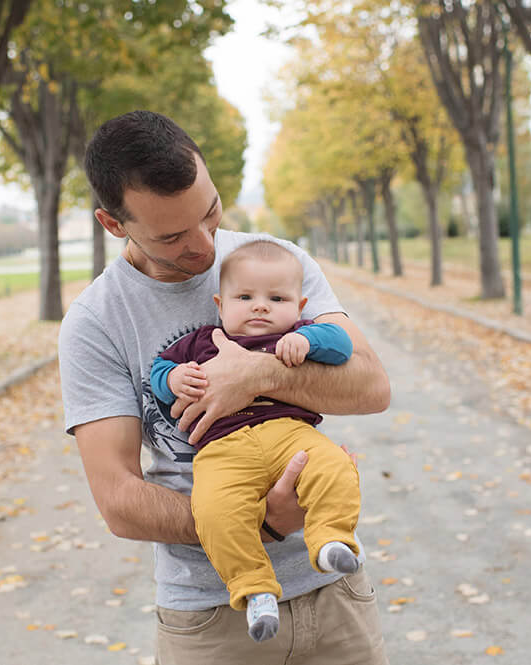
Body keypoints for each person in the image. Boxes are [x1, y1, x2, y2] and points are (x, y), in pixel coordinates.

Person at [58, 110, 391, 665]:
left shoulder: (273, 264)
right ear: (114, 225)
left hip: (334, 598)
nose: (206, 246)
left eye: (210, 212)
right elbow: (118, 500)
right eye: (172, 236)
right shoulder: (95, 323)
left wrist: (260, 373)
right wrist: (262, 521)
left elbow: (372, 385)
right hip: (209, 617)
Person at [150, 239, 362, 643]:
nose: (260, 306)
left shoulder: (298, 334)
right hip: (222, 450)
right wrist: (173, 379)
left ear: (299, 307)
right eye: (244, 297)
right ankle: (254, 589)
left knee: (334, 465)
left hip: (289, 433)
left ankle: (332, 538)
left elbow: (342, 345)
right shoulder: (201, 342)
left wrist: (311, 342)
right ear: (220, 304)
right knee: (213, 508)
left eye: (276, 298)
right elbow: (160, 369)